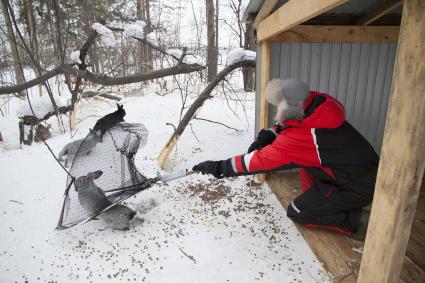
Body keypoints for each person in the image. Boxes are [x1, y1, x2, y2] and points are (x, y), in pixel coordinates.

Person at [192, 78, 378, 241]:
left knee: (298, 211)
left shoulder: (303, 140)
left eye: (279, 105)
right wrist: (267, 135)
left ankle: (358, 222)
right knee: (306, 171)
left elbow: (254, 162)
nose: (277, 109)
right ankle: (327, 199)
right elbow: (293, 124)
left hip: (357, 187)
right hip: (361, 170)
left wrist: (217, 167)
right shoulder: (319, 106)